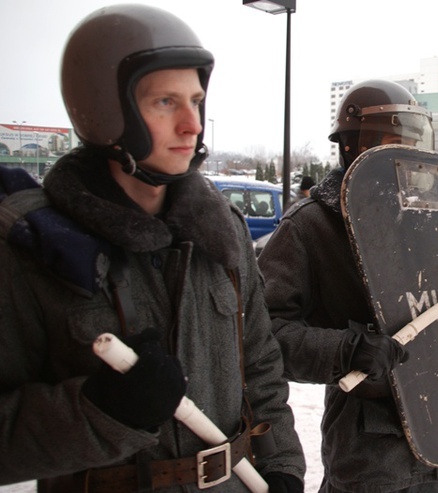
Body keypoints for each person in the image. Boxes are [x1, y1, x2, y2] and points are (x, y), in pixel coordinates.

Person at [0, 4, 304, 492]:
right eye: (165, 102)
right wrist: (100, 413)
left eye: (196, 100)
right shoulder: (33, 243)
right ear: (104, 108)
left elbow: (261, 364)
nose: (193, 124)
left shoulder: (222, 232)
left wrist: (282, 464)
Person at [258, 80, 438, 493]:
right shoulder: (310, 226)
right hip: (371, 445)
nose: (406, 156)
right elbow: (264, 334)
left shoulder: (437, 218)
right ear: (353, 147)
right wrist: (344, 350)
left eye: (413, 144)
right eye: (394, 143)